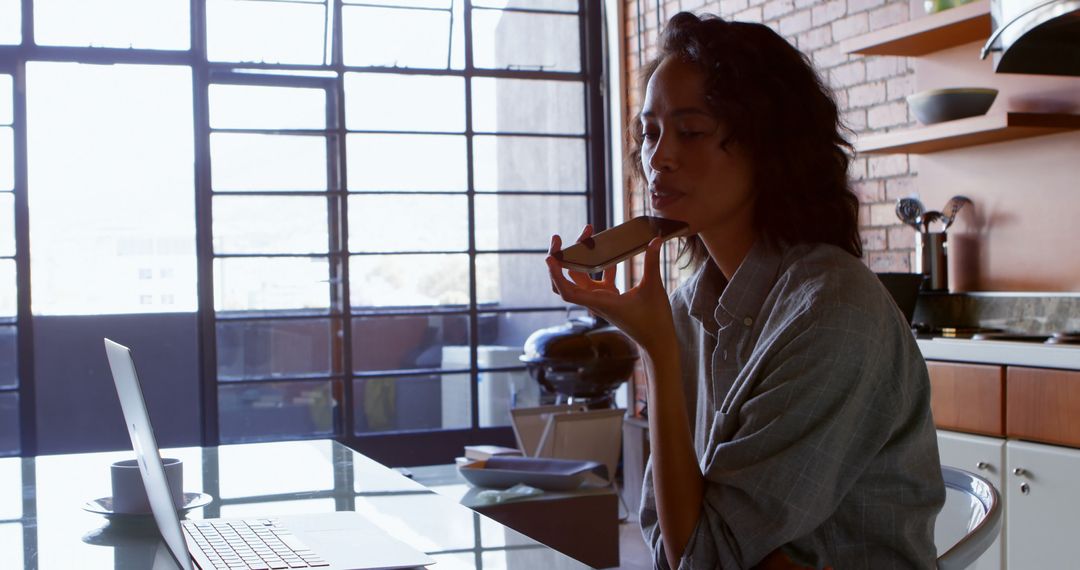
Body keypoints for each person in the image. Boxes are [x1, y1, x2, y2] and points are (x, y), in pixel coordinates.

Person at [545, 12, 945, 569]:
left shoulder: (833, 311)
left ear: (767, 145)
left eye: (690, 131)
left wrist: (658, 354)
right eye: (649, 133)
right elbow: (669, 540)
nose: (658, 158)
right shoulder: (686, 309)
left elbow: (703, 556)